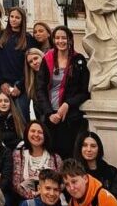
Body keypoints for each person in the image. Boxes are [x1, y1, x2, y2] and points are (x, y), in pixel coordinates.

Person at [35, 26, 89, 158]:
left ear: (70, 40)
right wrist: (48, 112)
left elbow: (85, 91)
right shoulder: (47, 59)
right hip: (50, 115)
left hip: (71, 117)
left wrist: (67, 104)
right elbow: (40, 88)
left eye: (64, 38)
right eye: (57, 38)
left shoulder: (78, 60)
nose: (61, 41)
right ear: (53, 40)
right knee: (51, 154)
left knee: (69, 153)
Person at [0, 6, 37, 119]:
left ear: (22, 20)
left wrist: (20, 86)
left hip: (21, 85)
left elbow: (30, 67)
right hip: (2, 84)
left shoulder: (28, 39)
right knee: (1, 116)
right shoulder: (0, 36)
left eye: (17, 17)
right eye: (11, 16)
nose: (14, 19)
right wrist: (1, 83)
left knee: (21, 115)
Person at [11, 120, 62, 201]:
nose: (36, 134)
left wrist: (45, 194)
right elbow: (16, 184)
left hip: (51, 200)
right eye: (33, 131)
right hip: (26, 201)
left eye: (40, 132)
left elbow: (61, 184)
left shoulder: (55, 158)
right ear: (27, 133)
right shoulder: (18, 155)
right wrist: (34, 195)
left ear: (45, 135)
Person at [73, 131, 117, 200]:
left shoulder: (111, 171)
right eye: (84, 145)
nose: (89, 149)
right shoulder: (74, 172)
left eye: (93, 146)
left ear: (99, 149)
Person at [22, 49, 45, 121]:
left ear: (42, 56)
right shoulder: (32, 81)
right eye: (30, 62)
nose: (34, 63)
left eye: (36, 58)